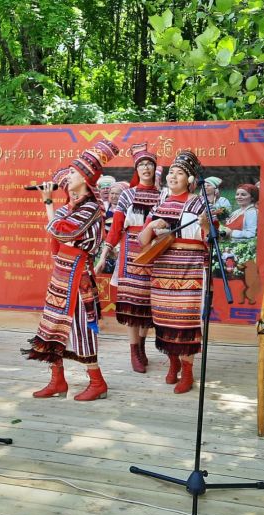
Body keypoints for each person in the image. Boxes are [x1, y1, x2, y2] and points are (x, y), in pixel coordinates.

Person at [22, 139, 119, 401]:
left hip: (78, 274)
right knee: (53, 324)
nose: (69, 176)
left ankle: (97, 383)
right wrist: (51, 203)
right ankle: (58, 381)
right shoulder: (71, 207)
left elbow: (60, 230)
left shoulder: (90, 209)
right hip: (62, 271)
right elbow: (55, 230)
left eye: (74, 173)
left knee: (80, 327)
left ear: (86, 179)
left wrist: (48, 203)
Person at [138, 150, 210, 394]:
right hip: (163, 270)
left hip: (190, 270)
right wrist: (152, 225)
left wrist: (205, 225)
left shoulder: (199, 203)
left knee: (185, 321)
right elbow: (142, 240)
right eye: (171, 173)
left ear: (189, 179)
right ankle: (173, 364)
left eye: (179, 173)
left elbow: (210, 238)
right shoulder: (160, 202)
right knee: (165, 319)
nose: (173, 177)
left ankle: (188, 372)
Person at [95, 143, 161, 373]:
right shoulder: (127, 196)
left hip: (155, 254)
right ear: (137, 169)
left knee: (148, 304)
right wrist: (103, 255)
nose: (145, 168)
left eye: (149, 164)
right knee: (132, 304)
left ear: (154, 169)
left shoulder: (162, 196)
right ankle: (134, 350)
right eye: (141, 164)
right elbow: (116, 229)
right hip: (130, 253)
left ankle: (142, 346)